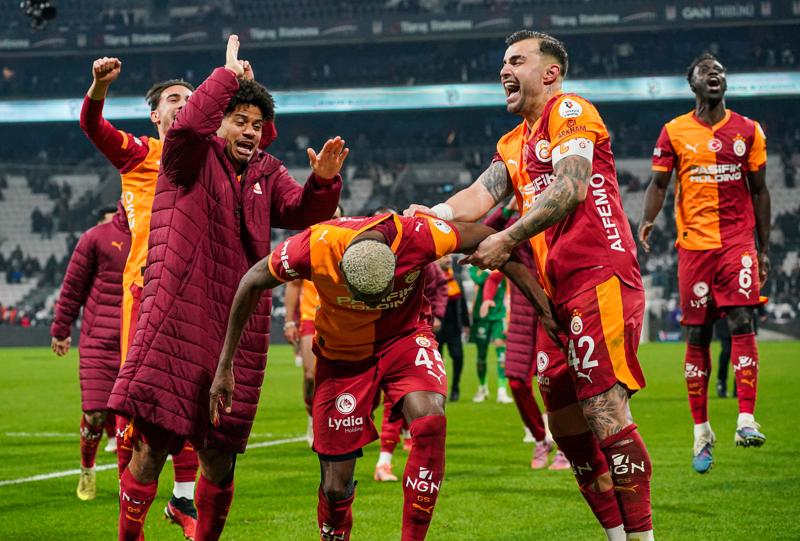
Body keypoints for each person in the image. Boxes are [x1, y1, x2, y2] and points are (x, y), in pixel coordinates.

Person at [406, 30, 653, 540]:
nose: (504, 70)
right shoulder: (513, 143)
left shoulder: (570, 112)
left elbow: (572, 185)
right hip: (554, 294)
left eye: (517, 61)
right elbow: (480, 194)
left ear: (550, 72)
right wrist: (435, 214)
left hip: (600, 276)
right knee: (565, 426)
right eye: (503, 62)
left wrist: (507, 238)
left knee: (604, 411)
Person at [107, 35, 345, 541]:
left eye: (257, 125)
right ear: (218, 120)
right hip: (176, 321)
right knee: (152, 445)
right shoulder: (185, 154)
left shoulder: (267, 172)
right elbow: (189, 123)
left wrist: (323, 184)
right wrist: (227, 77)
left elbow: (301, 212)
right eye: (240, 120)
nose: (250, 132)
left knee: (220, 455)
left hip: (236, 333)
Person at [211, 212, 558, 541]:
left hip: (405, 340)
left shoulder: (420, 236)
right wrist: (225, 365)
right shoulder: (313, 246)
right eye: (362, 298)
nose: (370, 305)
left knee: (430, 418)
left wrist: (544, 309)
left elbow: (496, 240)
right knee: (335, 487)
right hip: (342, 358)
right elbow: (251, 281)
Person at [79, 55, 200, 534]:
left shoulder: (212, 159)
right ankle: (131, 514)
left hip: (197, 294)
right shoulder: (139, 153)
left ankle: (184, 500)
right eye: (174, 99)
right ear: (155, 114)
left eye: (190, 99)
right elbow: (93, 127)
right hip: (146, 292)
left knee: (192, 399)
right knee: (138, 403)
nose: (184, 104)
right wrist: (99, 88)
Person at [639, 52, 770, 474]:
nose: (715, 74)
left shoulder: (748, 130)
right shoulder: (674, 131)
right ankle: (702, 432)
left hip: (737, 244)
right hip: (694, 247)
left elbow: (760, 190)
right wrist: (647, 218)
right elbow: (659, 183)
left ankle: (746, 419)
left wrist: (764, 248)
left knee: (742, 321)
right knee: (697, 333)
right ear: (692, 82)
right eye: (706, 71)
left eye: (720, 71)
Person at [50, 204, 129, 501]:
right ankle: (87, 468)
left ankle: (127, 481)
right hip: (98, 341)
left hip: (136, 341)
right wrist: (61, 329)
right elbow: (73, 287)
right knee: (95, 414)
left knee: (132, 420)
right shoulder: (95, 237)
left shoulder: (155, 236)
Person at [367, 206, 450, 483]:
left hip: (411, 336)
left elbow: (439, 286)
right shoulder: (367, 258)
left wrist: (436, 315)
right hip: (373, 338)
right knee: (380, 403)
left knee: (401, 401)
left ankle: (385, 461)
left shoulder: (417, 251)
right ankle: (396, 449)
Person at [284, 205, 344, 447]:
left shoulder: (349, 245)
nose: (332, 220)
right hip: (311, 317)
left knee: (340, 377)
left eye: (336, 217)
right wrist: (289, 321)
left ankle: (336, 422)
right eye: (328, 216)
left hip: (340, 319)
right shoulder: (305, 246)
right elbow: (294, 285)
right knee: (310, 376)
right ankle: (312, 417)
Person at [470, 266, 512, 403]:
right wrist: (490, 271)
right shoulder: (474, 266)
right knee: (481, 355)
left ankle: (502, 391)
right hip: (482, 316)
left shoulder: (502, 266)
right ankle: (482, 388)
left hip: (499, 315)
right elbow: (479, 279)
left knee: (501, 352)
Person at [436, 255, 470, 401]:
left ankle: (455, 387)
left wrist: (466, 323)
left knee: (458, 357)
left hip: (454, 326)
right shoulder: (431, 277)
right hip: (435, 327)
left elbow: (462, 301)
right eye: (444, 256)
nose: (448, 259)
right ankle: (438, 390)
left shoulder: (456, 277)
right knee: (436, 362)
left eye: (449, 256)